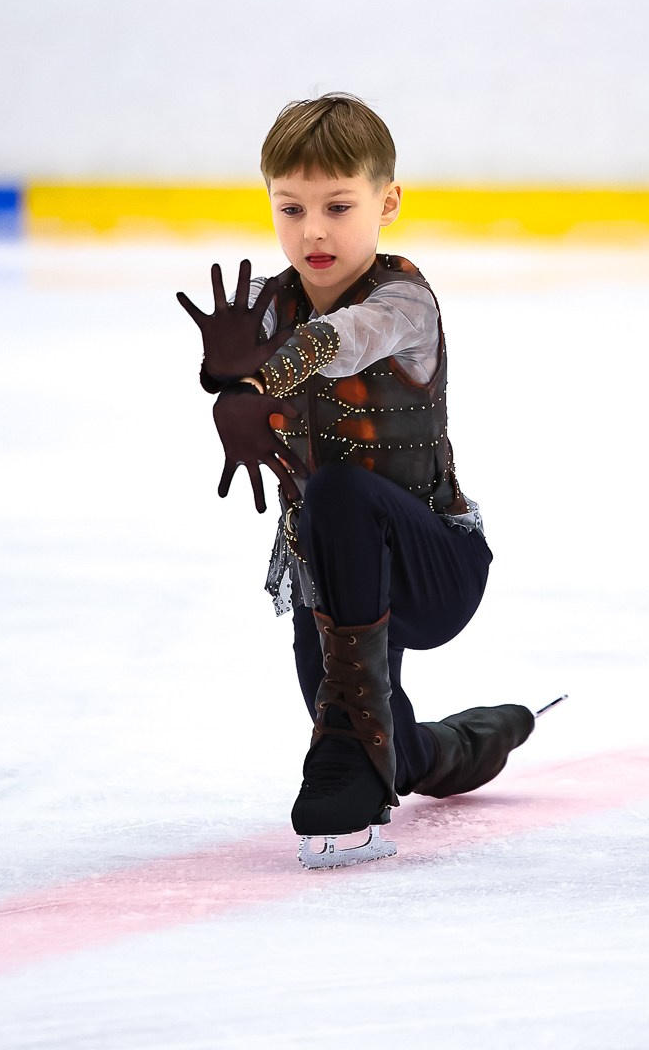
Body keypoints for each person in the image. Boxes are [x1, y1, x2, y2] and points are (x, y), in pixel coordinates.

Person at [177, 93, 535, 868]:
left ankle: (361, 769)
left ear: (388, 202)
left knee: (336, 491)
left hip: (435, 565)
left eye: (339, 206)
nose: (313, 230)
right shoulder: (269, 304)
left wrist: (257, 379)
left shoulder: (402, 300)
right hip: (334, 576)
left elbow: (342, 340)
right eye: (291, 207)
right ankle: (454, 746)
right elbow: (240, 370)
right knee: (377, 736)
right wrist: (225, 381)